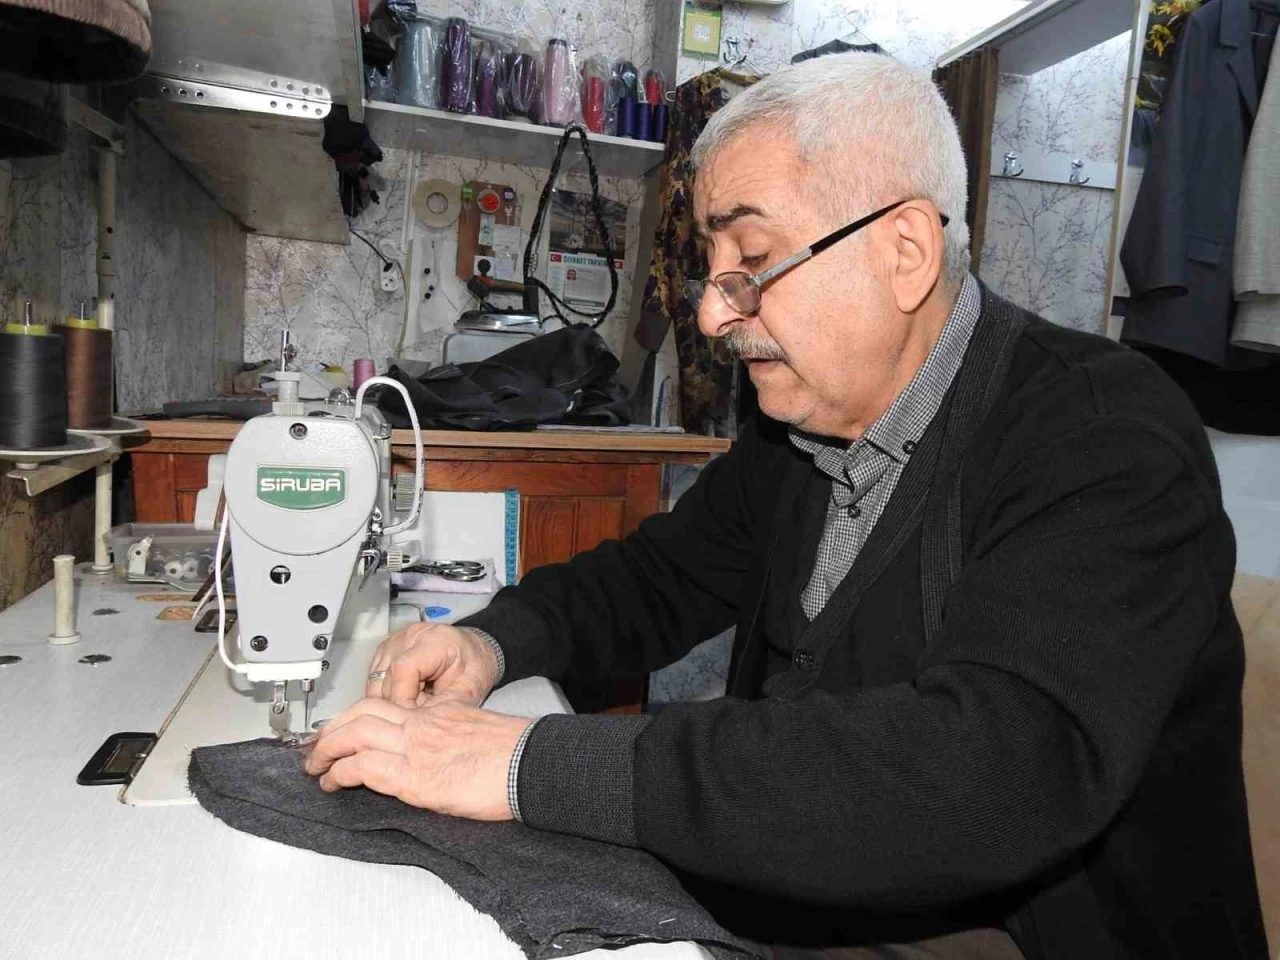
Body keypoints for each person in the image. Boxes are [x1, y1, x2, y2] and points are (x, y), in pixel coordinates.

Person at [304, 53, 1268, 959]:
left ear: (904, 251)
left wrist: (527, 765)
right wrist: (493, 641)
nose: (714, 314)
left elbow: (985, 776)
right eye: (714, 272)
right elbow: (656, 578)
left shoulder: (1102, 437)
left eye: (753, 260)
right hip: (817, 902)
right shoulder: (799, 425)